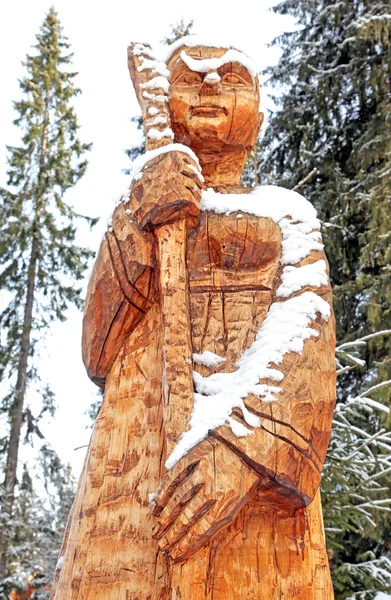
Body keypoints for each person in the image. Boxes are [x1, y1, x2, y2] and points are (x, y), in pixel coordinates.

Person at [51, 39, 336, 600]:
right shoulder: (143, 211)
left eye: (230, 77)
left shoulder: (286, 216)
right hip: (135, 476)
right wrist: (138, 219)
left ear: (257, 117)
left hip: (254, 498)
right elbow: (97, 349)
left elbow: (309, 340)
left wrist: (242, 450)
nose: (208, 84)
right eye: (190, 76)